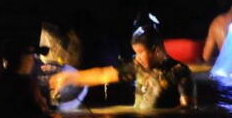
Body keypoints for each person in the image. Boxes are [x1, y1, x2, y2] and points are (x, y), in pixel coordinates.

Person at [50, 21, 196, 110]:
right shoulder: (137, 67)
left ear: (156, 50)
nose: (136, 57)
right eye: (135, 53)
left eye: (140, 52)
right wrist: (70, 77)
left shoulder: (180, 72)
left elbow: (187, 109)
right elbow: (103, 75)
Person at [0, 41, 51, 118]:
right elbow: (41, 113)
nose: (33, 61)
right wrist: (42, 103)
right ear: (23, 59)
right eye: (31, 57)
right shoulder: (27, 85)